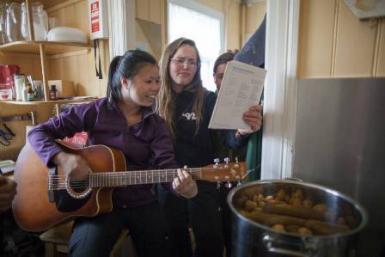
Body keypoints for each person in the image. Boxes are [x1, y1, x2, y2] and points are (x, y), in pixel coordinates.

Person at [27, 49, 198, 257]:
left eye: (157, 81)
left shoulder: (157, 125)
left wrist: (182, 188)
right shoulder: (94, 111)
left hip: (142, 204)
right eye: (149, 81)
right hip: (96, 206)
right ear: (125, 82)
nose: (156, 88)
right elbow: (38, 132)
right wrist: (63, 158)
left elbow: (166, 167)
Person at [156, 38, 263, 257]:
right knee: (174, 243)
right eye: (180, 60)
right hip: (165, 182)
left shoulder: (208, 99)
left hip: (204, 180)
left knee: (211, 243)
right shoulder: (153, 100)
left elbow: (228, 139)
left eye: (192, 62)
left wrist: (242, 131)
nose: (186, 66)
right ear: (167, 61)